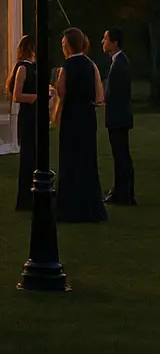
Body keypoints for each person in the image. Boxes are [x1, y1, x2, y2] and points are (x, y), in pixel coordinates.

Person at [53, 28, 107, 224]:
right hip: (87, 116)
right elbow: (100, 96)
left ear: (68, 45)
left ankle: (69, 206)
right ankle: (90, 205)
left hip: (71, 116)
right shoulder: (91, 65)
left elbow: (62, 92)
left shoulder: (65, 67)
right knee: (87, 159)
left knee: (69, 159)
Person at [102, 28, 135, 206]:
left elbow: (116, 93)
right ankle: (122, 191)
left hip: (118, 117)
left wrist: (103, 99)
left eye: (106, 39)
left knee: (121, 156)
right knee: (121, 155)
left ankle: (123, 194)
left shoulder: (120, 63)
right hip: (118, 117)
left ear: (115, 43)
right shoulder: (118, 61)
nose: (103, 42)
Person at [9, 36, 38, 211]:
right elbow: (17, 96)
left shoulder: (33, 68)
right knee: (28, 156)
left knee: (35, 155)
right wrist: (36, 97)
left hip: (35, 115)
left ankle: (34, 194)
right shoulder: (23, 68)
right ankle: (25, 199)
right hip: (28, 116)